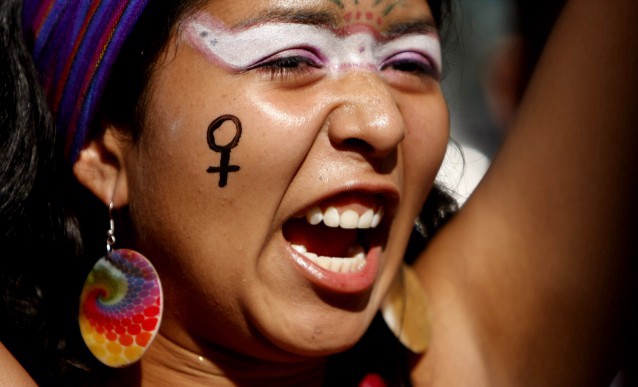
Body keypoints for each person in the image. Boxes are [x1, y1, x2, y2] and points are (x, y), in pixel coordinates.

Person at [0, 1, 635, 387]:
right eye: (289, 58)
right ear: (107, 152)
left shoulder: (475, 363)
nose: (382, 120)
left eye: (409, 64)